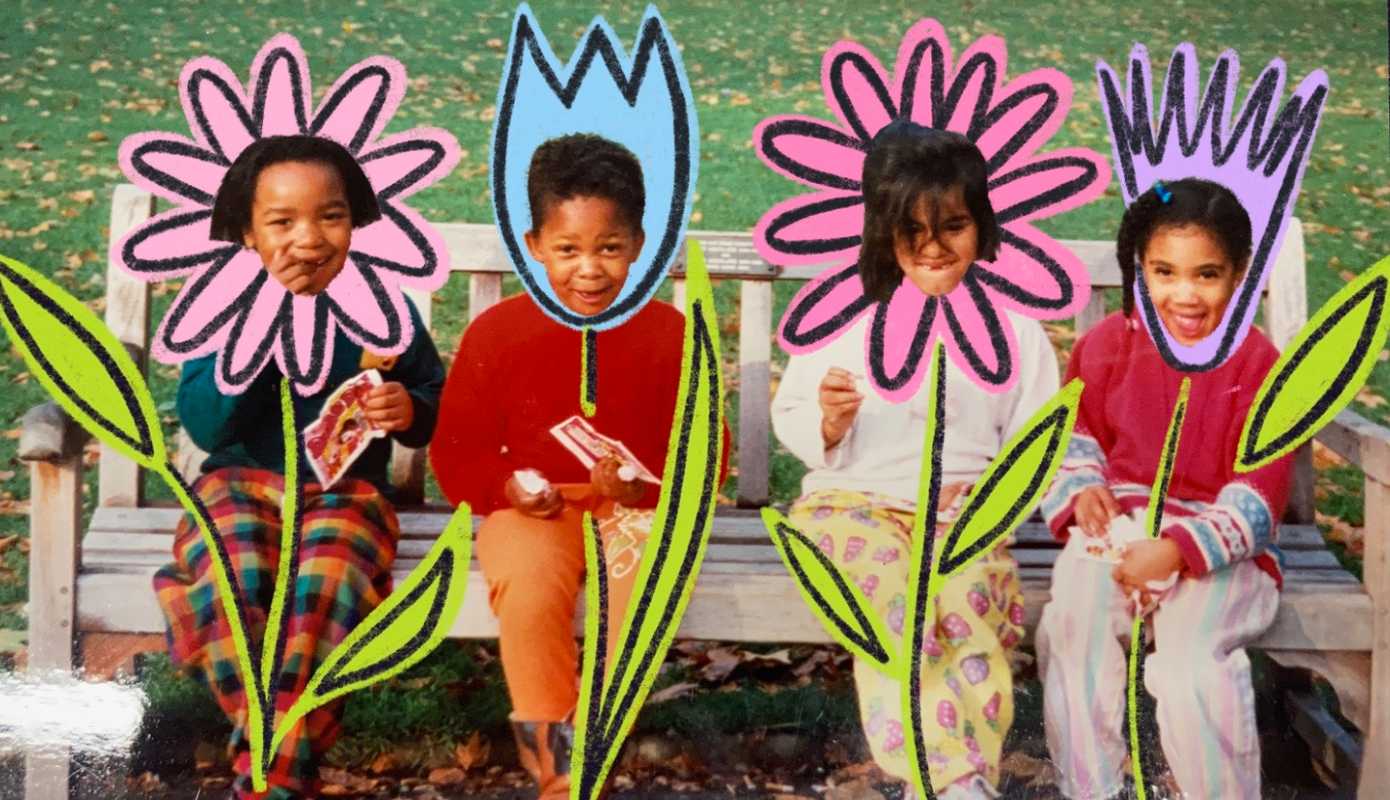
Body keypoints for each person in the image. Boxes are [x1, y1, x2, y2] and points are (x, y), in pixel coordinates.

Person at [430, 133, 729, 799]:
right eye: (567, 250)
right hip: (531, 511)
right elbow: (456, 452)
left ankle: (596, 742)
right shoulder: (499, 333)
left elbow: (709, 452)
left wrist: (644, 484)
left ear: (639, 244)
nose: (589, 269)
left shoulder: (669, 336)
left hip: (637, 510)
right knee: (530, 588)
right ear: (534, 245)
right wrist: (505, 487)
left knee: (640, 592)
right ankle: (558, 776)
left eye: (609, 248)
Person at [152, 135, 445, 800]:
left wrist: (410, 406)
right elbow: (204, 421)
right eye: (282, 222)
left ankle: (265, 778)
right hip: (238, 484)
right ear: (247, 234)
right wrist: (256, 347)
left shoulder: (379, 305)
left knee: (322, 595)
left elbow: (430, 391)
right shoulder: (229, 306)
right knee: (232, 589)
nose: (308, 239)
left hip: (347, 492)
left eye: (331, 216)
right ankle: (283, 773)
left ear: (357, 221)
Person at [772, 120, 1058, 800]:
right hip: (854, 510)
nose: (933, 249)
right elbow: (792, 415)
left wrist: (993, 495)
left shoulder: (1011, 328)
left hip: (964, 519)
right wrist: (830, 420)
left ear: (982, 225)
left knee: (970, 612)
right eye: (911, 231)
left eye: (953, 227)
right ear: (879, 229)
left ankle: (959, 780)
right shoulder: (846, 315)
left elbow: (1038, 441)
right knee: (893, 606)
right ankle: (952, 780)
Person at [1036, 178, 1295, 800]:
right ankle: (1092, 788)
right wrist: (1081, 489)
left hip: (1218, 553)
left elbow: (1260, 493)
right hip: (1119, 540)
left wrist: (1179, 548)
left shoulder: (1257, 365)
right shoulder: (1106, 347)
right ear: (1140, 270)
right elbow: (1073, 437)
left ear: (1238, 276)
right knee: (1073, 623)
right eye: (1164, 271)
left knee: (1187, 665)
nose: (1184, 293)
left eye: (1206, 274)